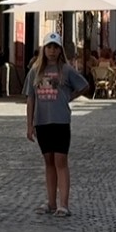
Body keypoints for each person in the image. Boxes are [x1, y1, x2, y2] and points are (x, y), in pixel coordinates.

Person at [25, 32, 90, 217]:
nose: (52, 51)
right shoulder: (35, 71)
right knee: (48, 162)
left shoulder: (66, 70)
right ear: (43, 49)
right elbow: (30, 99)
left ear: (60, 50)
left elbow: (84, 85)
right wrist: (29, 125)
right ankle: (51, 201)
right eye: (49, 47)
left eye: (55, 47)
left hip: (60, 120)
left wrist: (69, 96)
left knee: (61, 161)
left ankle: (64, 204)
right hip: (42, 121)